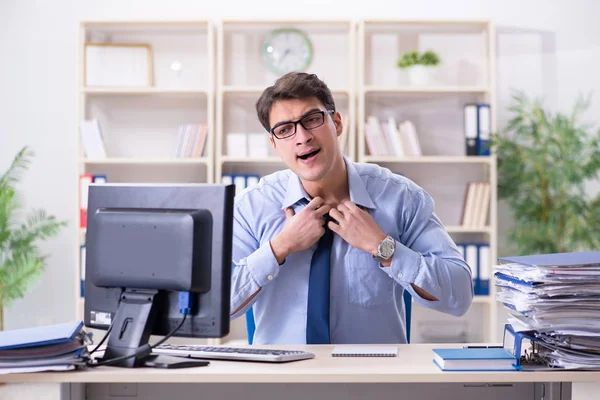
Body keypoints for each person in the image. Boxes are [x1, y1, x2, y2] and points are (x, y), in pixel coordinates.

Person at [230, 72, 473, 345]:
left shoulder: (401, 197)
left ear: (336, 123)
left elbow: (460, 295)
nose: (302, 137)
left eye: (312, 120)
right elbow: (217, 306)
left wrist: (383, 247)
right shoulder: (251, 206)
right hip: (282, 380)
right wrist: (279, 248)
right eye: (285, 130)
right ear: (274, 144)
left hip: (373, 380)